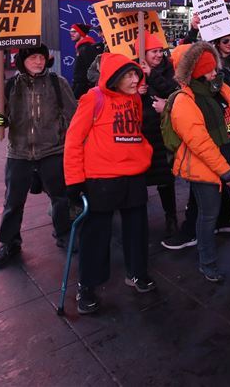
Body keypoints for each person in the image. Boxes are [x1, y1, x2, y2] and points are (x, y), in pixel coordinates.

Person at [64, 53, 155, 315]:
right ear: (114, 77)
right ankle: (87, 285)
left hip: (133, 175)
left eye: (136, 73)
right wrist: (74, 180)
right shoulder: (94, 98)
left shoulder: (136, 98)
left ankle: (137, 273)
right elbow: (73, 140)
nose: (134, 78)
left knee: (137, 230)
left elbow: (136, 132)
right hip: (102, 178)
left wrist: (143, 154)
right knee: (96, 235)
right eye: (128, 75)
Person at [0, 45, 77, 269]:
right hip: (19, 152)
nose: (38, 62)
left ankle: (63, 233)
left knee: (60, 197)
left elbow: (73, 114)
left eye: (42, 57)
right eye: (33, 58)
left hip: (52, 150)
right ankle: (9, 243)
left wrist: (67, 136)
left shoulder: (57, 83)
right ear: (22, 61)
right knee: (13, 201)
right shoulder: (10, 85)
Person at [169, 43, 230, 283]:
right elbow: (199, 143)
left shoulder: (219, 88)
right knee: (208, 215)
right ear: (196, 73)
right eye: (210, 71)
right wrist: (224, 170)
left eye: (215, 69)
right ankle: (207, 263)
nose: (215, 74)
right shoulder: (184, 101)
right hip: (206, 169)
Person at [137, 34, 179, 238]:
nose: (159, 55)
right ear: (143, 53)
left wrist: (152, 74)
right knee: (139, 180)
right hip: (140, 132)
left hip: (162, 132)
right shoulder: (131, 70)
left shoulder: (167, 68)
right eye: (154, 51)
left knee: (165, 180)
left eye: (160, 51)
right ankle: (139, 221)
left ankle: (171, 217)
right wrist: (136, 90)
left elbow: (174, 91)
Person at [71, 23, 100, 98]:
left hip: (83, 87)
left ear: (81, 33)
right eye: (71, 32)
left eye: (74, 31)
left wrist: (88, 86)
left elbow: (91, 68)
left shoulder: (86, 48)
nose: (71, 34)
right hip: (80, 85)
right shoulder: (81, 47)